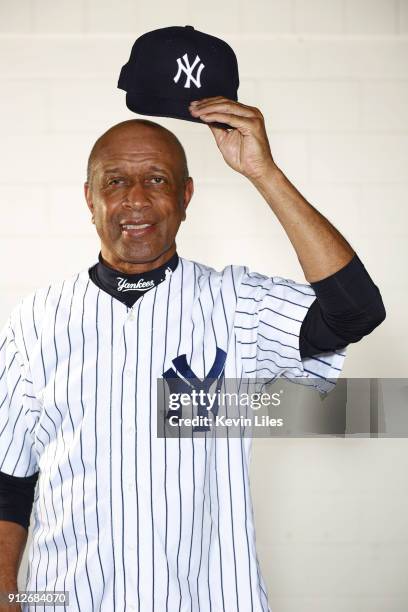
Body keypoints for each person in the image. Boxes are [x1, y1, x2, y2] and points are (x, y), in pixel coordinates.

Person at [0, 97, 385, 612]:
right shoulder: (35, 322)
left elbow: (355, 312)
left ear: (186, 197)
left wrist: (262, 172)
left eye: (157, 180)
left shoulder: (238, 304)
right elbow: (9, 481)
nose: (135, 199)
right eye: (115, 181)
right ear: (89, 199)